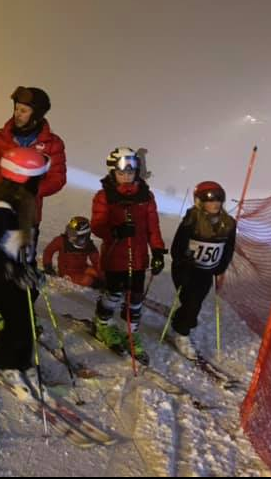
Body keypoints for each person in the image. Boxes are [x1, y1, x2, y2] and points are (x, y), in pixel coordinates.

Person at [0, 147, 50, 398]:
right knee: (15, 323)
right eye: (38, 178)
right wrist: (11, 270)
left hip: (19, 274)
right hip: (2, 276)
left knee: (28, 321)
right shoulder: (2, 207)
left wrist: (32, 271)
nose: (40, 183)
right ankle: (1, 362)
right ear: (25, 178)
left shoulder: (22, 204)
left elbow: (22, 246)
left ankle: (22, 361)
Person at [90, 147, 166, 364]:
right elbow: (97, 225)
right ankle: (102, 324)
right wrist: (115, 231)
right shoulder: (104, 196)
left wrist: (158, 250)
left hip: (139, 257)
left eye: (130, 173)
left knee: (135, 298)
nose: (126, 177)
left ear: (137, 172)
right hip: (115, 256)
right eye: (121, 173)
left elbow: (153, 227)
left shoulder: (146, 196)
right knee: (113, 293)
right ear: (113, 172)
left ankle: (131, 334)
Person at [0, 86, 66, 248]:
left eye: (24, 110)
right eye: (16, 109)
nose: (17, 114)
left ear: (36, 114)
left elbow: (57, 178)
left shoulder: (52, 144)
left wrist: (34, 189)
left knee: (23, 260)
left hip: (28, 215)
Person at [166, 181, 236, 359]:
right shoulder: (192, 220)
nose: (215, 204)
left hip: (207, 271)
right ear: (200, 202)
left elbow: (228, 248)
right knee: (191, 302)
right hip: (187, 269)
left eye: (218, 199)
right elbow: (177, 248)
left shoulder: (228, 223)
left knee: (195, 303)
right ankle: (182, 333)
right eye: (209, 200)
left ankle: (180, 322)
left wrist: (222, 265)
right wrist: (184, 260)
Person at [41, 216, 102, 288]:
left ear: (83, 237)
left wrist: (103, 275)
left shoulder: (89, 246)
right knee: (87, 280)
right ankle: (95, 284)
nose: (69, 236)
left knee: (96, 273)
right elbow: (48, 251)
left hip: (83, 268)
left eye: (73, 234)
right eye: (69, 232)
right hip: (68, 273)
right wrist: (48, 266)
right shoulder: (62, 241)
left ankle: (107, 283)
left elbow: (97, 261)